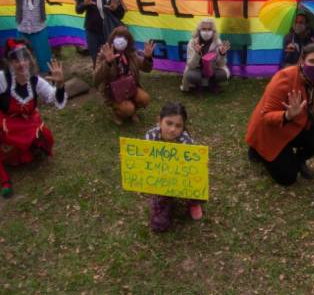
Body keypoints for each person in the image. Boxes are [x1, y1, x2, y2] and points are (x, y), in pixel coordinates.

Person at [246, 44, 314, 185]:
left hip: (297, 127)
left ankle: (298, 159)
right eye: (312, 61)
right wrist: (287, 115)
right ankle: (257, 149)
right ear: (302, 61)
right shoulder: (284, 78)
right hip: (272, 131)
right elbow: (266, 116)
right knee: (288, 179)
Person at [0, 39, 66, 197]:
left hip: (26, 121)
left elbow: (54, 98)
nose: (21, 64)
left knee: (45, 140)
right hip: (1, 119)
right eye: (16, 60)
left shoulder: (35, 81)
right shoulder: (1, 79)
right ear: (9, 62)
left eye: (25, 59)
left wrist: (61, 84)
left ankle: (25, 150)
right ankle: (3, 177)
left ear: (30, 59)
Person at [144, 102, 204, 231]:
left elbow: (194, 168)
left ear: (183, 127)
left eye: (178, 126)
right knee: (159, 225)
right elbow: (144, 161)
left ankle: (193, 202)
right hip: (160, 180)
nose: (172, 129)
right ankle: (163, 202)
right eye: (169, 123)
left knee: (198, 178)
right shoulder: (150, 136)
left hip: (181, 178)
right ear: (160, 121)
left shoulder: (186, 142)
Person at [93, 26, 154, 124]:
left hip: (130, 87)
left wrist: (148, 57)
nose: (121, 41)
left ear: (129, 40)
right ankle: (118, 112)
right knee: (127, 109)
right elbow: (95, 79)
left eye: (125, 38)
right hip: (112, 91)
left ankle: (133, 110)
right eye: (118, 37)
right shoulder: (103, 54)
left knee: (145, 99)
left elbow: (147, 69)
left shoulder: (131, 54)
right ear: (112, 39)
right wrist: (107, 63)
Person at [5, 0, 56, 73]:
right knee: (22, 58)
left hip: (39, 27)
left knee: (44, 58)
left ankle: (48, 80)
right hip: (22, 28)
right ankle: (27, 79)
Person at [75, 0, 125, 66]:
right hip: (92, 31)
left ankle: (110, 76)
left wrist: (116, 9)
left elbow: (121, 16)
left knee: (109, 57)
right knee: (96, 57)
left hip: (109, 32)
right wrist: (85, 4)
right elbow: (78, 10)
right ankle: (98, 74)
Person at [181, 18, 231, 92]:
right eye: (204, 29)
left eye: (209, 29)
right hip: (197, 69)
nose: (206, 32)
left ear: (213, 31)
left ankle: (212, 83)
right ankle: (198, 85)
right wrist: (197, 53)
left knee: (223, 74)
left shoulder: (217, 42)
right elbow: (191, 65)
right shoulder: (192, 42)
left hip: (212, 69)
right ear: (199, 30)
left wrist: (222, 54)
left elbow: (221, 65)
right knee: (191, 75)